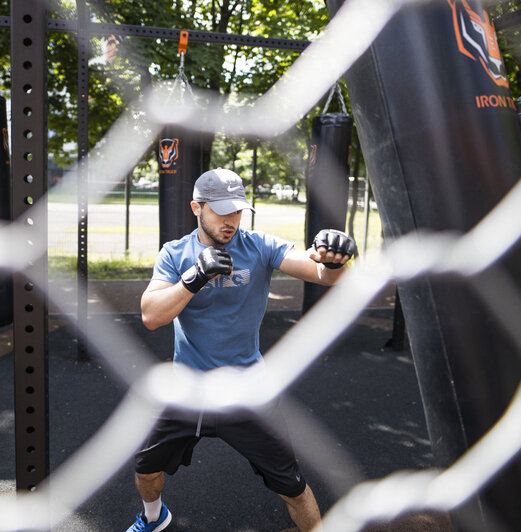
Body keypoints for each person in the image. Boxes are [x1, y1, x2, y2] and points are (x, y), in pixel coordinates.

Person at [127, 167, 357, 532]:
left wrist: (335, 261)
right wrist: (193, 278)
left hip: (248, 392)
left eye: (237, 210)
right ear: (196, 208)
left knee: (293, 489)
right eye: (221, 210)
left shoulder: (258, 246)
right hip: (188, 389)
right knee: (146, 470)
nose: (231, 220)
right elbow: (151, 316)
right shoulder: (174, 254)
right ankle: (154, 518)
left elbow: (321, 274)